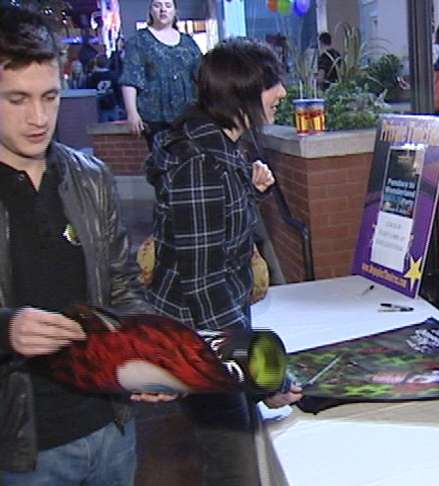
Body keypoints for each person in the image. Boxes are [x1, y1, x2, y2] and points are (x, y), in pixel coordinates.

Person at [0, 6, 165, 484]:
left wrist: (151, 353)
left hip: (110, 429)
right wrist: (6, 331)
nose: (38, 117)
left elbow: (122, 287)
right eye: (17, 100)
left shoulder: (90, 178)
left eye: (49, 97)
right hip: (23, 450)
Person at [145, 37, 301, 486]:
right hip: (199, 341)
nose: (283, 93)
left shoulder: (216, 148)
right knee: (237, 469)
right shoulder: (203, 165)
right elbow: (206, 288)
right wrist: (265, 376)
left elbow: (206, 233)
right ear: (244, 92)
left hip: (206, 334)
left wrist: (245, 188)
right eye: (273, 83)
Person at [119, 0, 201, 150]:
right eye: (157, 5)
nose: (163, 10)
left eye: (168, 5)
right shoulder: (139, 42)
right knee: (161, 163)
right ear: (150, 10)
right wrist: (132, 113)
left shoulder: (188, 43)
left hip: (187, 116)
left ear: (175, 11)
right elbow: (130, 79)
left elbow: (201, 76)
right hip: (155, 117)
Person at [86, 54, 122, 122]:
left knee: (103, 127)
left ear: (96, 63)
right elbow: (118, 90)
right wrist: (118, 103)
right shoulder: (112, 75)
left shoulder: (93, 76)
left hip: (99, 105)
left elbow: (89, 91)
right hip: (112, 104)